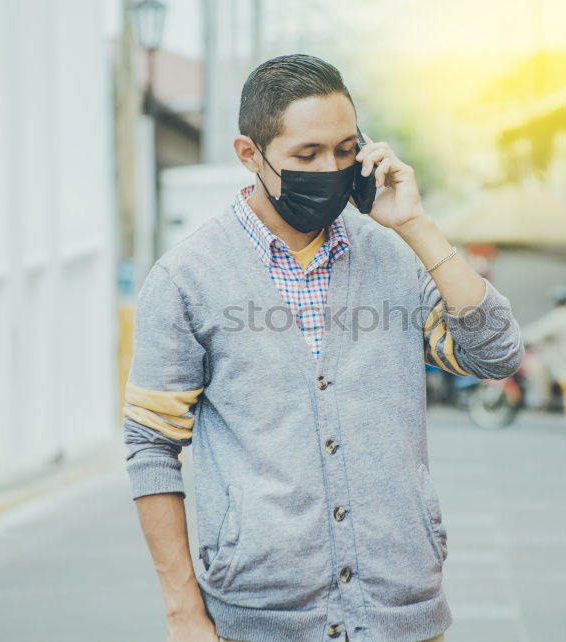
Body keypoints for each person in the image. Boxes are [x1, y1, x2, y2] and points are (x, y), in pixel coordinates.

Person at [122, 54, 524, 642]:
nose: (330, 168)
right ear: (249, 154)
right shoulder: (188, 278)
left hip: (401, 612)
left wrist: (414, 226)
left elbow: (497, 354)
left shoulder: (391, 252)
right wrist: (182, 607)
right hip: (260, 618)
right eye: (305, 156)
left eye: (343, 150)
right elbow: (151, 442)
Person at [521, 284, 566, 409]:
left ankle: (544, 399)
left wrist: (518, 337)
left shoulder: (562, 315)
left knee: (534, 366)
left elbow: (538, 331)